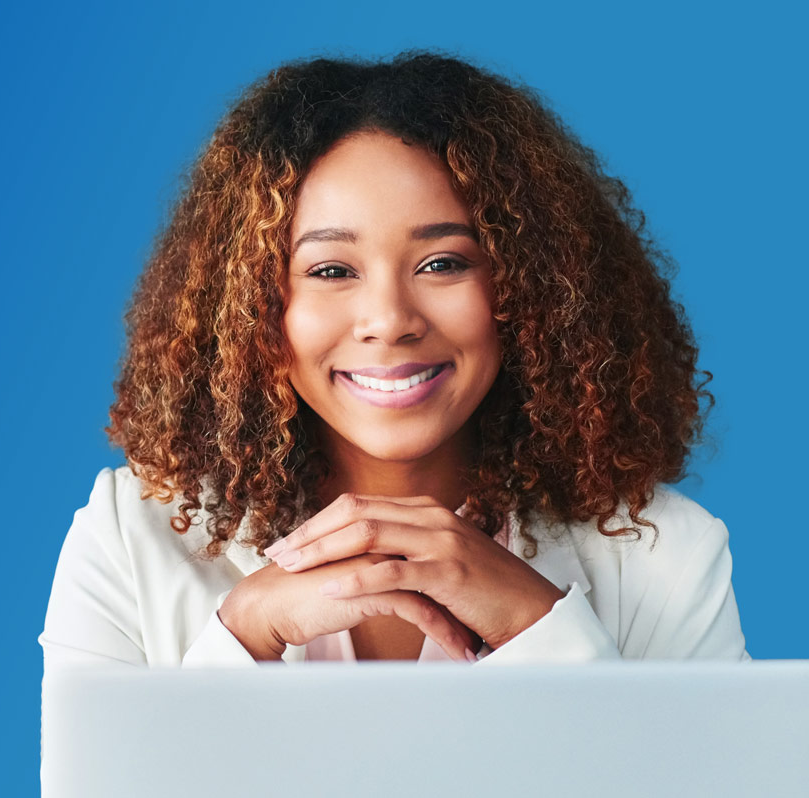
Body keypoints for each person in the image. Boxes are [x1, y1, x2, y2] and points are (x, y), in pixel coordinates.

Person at [38, 52, 749, 669]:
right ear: (250, 304)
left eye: (442, 263)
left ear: (529, 288)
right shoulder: (129, 541)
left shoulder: (668, 555)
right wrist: (243, 634)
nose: (390, 321)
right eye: (329, 271)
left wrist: (542, 630)